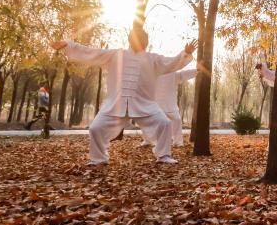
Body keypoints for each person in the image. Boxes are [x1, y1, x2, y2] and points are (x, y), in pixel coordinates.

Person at [51, 26, 196, 166]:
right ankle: (99, 159)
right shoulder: (116, 55)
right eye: (138, 38)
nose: (141, 42)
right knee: (95, 128)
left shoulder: (153, 59)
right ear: (131, 40)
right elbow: (92, 53)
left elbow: (171, 62)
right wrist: (69, 45)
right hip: (116, 104)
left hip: (144, 104)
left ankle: (164, 156)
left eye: (143, 39)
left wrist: (185, 53)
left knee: (164, 123)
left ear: (146, 42)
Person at [141, 67, 198, 147]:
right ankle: (148, 140)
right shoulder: (152, 74)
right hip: (155, 106)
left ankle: (178, 142)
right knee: (146, 120)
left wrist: (196, 70)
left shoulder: (172, 74)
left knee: (177, 120)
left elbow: (183, 74)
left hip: (170, 106)